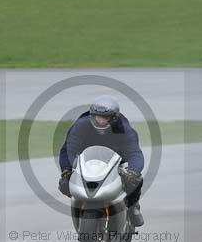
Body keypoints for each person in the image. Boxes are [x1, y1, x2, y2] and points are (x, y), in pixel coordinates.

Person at [58, 95, 145, 227]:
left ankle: (133, 207)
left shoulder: (123, 128)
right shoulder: (81, 125)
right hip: (87, 162)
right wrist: (66, 169)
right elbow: (67, 149)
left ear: (114, 117)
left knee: (134, 180)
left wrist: (133, 171)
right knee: (65, 184)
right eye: (98, 117)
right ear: (92, 115)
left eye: (105, 117)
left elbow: (135, 152)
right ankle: (80, 210)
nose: (101, 121)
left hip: (115, 161)